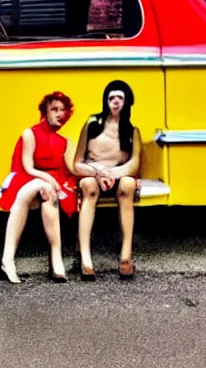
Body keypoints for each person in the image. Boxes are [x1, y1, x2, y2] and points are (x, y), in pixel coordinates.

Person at [0, 91, 78, 284]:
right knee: (41, 188)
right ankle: (8, 260)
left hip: (49, 185)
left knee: (48, 194)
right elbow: (27, 167)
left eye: (63, 110)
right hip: (27, 177)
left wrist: (99, 171)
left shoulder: (64, 141)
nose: (59, 114)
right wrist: (49, 180)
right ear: (45, 112)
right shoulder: (30, 133)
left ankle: (55, 259)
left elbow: (72, 169)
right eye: (54, 109)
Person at [73, 80, 141, 281]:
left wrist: (112, 174)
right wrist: (97, 173)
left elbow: (134, 164)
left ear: (126, 102)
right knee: (87, 186)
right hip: (95, 176)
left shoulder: (132, 130)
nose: (116, 102)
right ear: (106, 101)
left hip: (118, 178)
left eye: (120, 98)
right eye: (111, 98)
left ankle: (125, 257)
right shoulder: (92, 124)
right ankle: (86, 260)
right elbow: (77, 163)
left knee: (128, 185)